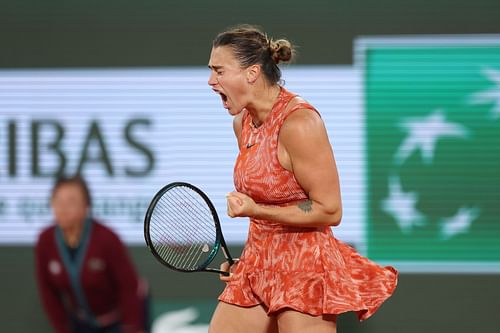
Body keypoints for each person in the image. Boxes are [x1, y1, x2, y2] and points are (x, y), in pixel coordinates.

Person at [207, 25, 398, 333]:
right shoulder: (243, 123)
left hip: (305, 269)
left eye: (219, 71)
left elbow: (329, 210)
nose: (211, 81)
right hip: (257, 264)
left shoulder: (300, 123)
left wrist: (256, 211)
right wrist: (250, 256)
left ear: (252, 73)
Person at [35, 175, 149, 333]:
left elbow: (128, 287)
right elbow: (48, 292)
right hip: (82, 323)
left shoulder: (106, 238)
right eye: (58, 201)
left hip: (119, 319)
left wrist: (132, 328)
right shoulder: (45, 241)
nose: (63, 207)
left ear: (86, 206)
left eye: (71, 201)